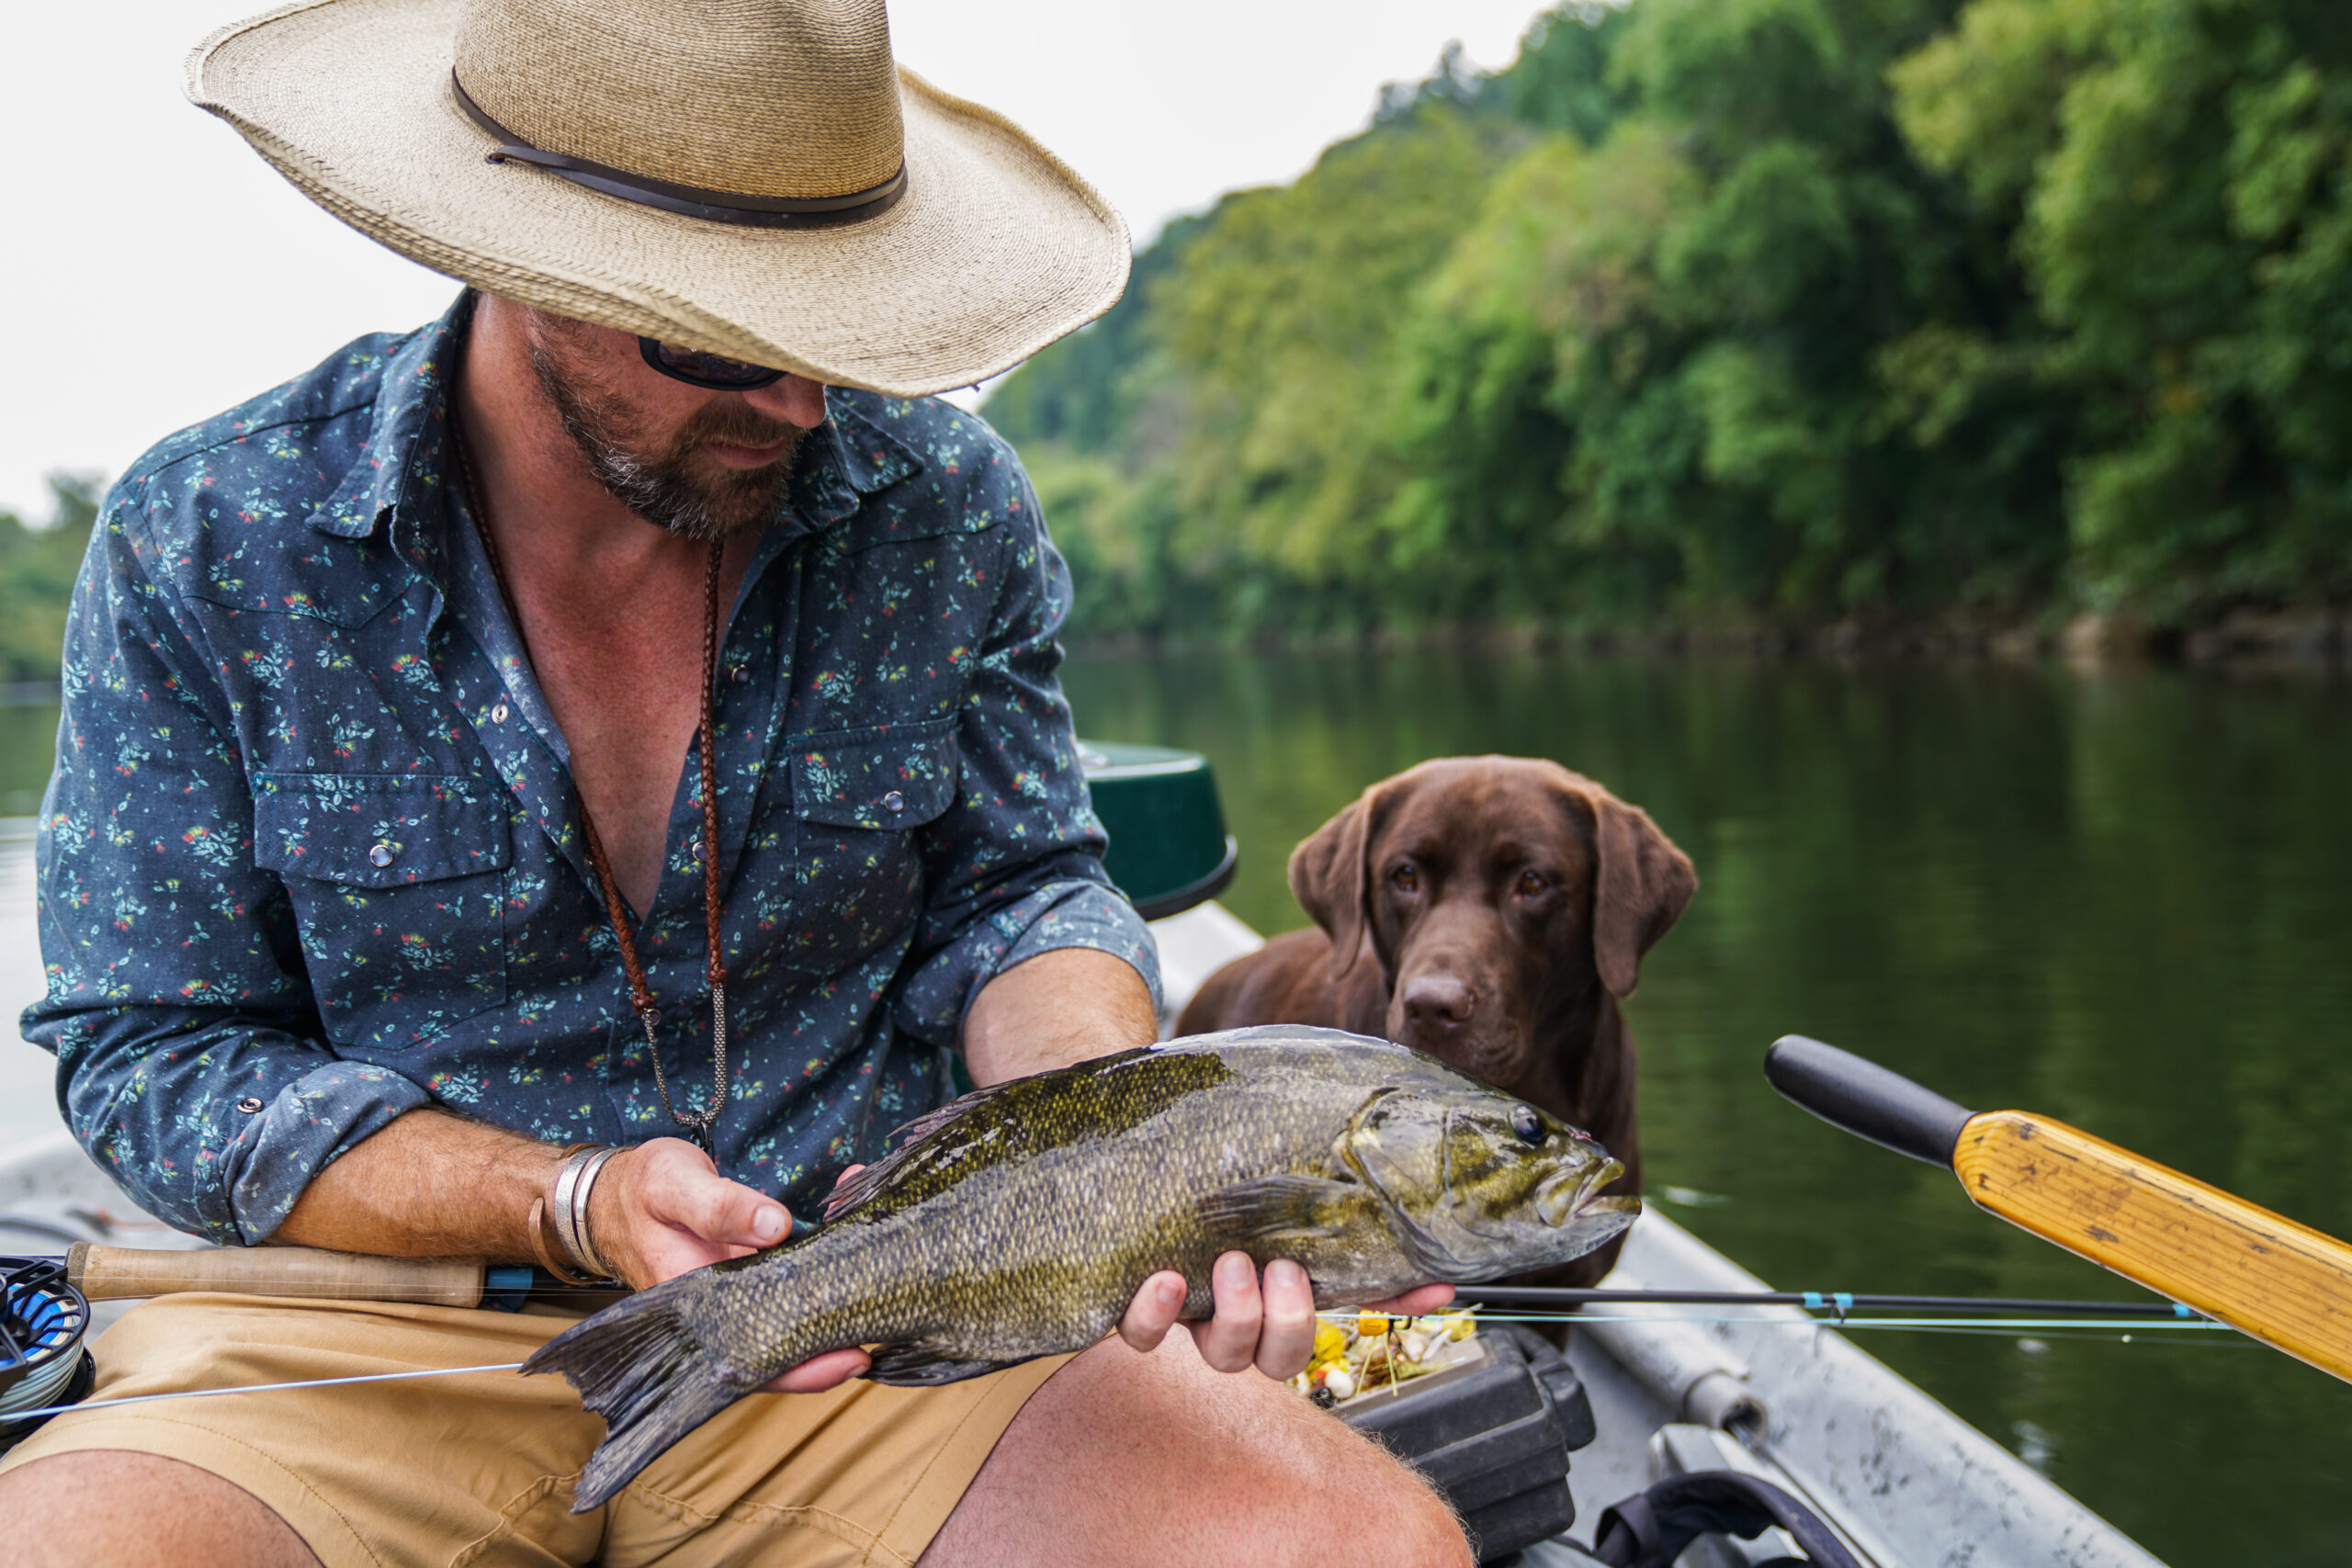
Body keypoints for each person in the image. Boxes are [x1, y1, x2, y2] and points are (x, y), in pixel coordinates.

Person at [0, 2, 1468, 1564]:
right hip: (366, 1339)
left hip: (888, 1311)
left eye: (833, 326)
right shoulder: (209, 535)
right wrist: (564, 1199)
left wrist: (1103, 1145)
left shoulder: (942, 501)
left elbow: (1019, 894)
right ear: (527, 264)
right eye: (721, 337)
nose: (804, 405)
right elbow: (154, 1051)